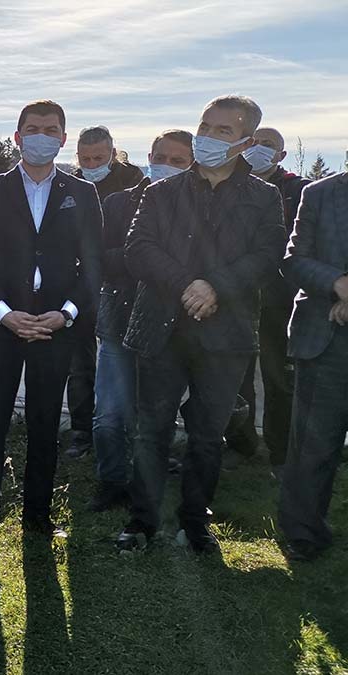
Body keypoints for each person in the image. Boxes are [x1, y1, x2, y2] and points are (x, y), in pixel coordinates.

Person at [116, 95, 286, 554]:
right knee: (151, 429)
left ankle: (195, 522)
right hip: (161, 326)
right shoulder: (161, 191)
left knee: (208, 435)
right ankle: (141, 521)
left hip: (224, 333)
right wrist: (188, 283)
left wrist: (215, 286)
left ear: (246, 141)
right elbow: (139, 249)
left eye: (222, 131)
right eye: (204, 126)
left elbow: (268, 257)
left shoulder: (264, 197)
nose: (207, 137)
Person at [0, 100, 103, 542]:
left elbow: (93, 267)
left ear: (63, 138)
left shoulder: (82, 194)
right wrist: (5, 315)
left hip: (53, 326)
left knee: (45, 425)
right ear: (17, 136)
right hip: (1, 325)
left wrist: (65, 315)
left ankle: (37, 517)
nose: (41, 136)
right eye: (32, 128)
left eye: (51, 129)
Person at [87, 129, 193, 512]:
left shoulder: (197, 207)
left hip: (171, 323)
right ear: (149, 155)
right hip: (118, 316)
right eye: (161, 156)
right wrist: (151, 259)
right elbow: (102, 258)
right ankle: (112, 480)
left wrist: (149, 260)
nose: (166, 165)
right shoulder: (118, 203)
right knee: (111, 412)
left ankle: (148, 483)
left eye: (178, 161)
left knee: (155, 412)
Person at [225, 127, 311, 470]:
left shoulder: (299, 190)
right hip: (237, 296)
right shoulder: (230, 186)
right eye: (255, 143)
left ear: (282, 155)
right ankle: (241, 444)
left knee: (279, 378)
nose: (259, 150)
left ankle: (280, 451)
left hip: (281, 299)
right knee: (237, 376)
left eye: (269, 145)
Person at [278, 171, 348, 562]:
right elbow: (295, 260)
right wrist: (338, 283)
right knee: (313, 444)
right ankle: (304, 533)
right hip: (326, 338)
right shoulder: (319, 193)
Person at [64, 126, 146, 461]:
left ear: (113, 152)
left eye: (99, 157)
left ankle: (132, 433)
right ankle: (82, 430)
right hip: (78, 281)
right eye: (85, 159)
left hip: (120, 282)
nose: (92, 163)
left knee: (125, 361)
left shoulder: (133, 181)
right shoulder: (69, 183)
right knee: (79, 361)